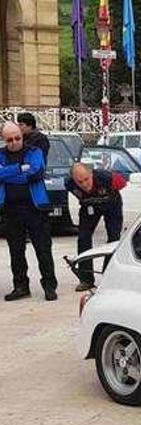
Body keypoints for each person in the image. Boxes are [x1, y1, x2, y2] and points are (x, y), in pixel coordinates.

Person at [0, 122, 57, 301]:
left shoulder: (34, 152)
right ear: (3, 139)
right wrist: (19, 169)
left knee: (43, 249)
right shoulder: (1, 155)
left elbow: (36, 173)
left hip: (35, 208)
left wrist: (8, 174)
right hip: (10, 209)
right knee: (16, 251)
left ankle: (49, 286)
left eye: (17, 138)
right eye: (9, 140)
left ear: (22, 136)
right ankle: (20, 286)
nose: (14, 142)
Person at [65, 162, 126, 291]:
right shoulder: (69, 184)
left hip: (111, 204)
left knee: (113, 239)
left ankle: (108, 276)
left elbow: (123, 183)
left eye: (87, 179)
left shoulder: (107, 177)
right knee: (83, 238)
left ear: (91, 174)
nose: (84, 184)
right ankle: (86, 279)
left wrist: (107, 195)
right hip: (89, 205)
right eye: (80, 182)